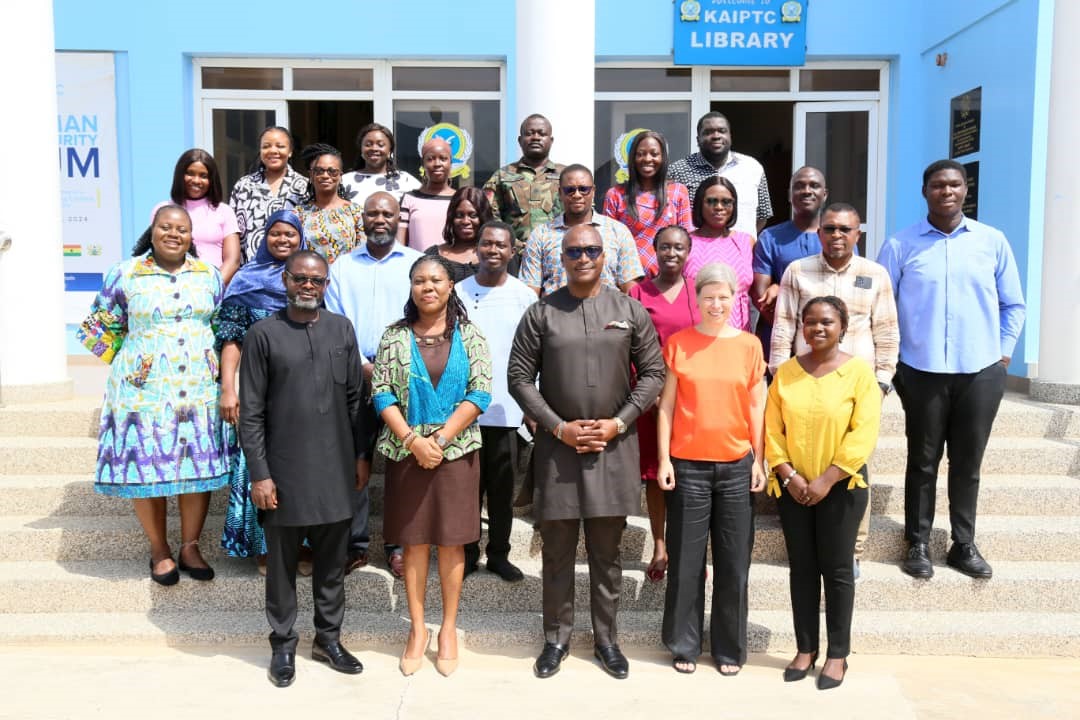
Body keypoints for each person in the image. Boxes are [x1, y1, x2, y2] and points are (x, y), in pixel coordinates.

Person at [508, 225, 666, 680]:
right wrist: (558, 427)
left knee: (607, 552)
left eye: (591, 250)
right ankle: (556, 639)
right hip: (558, 449)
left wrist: (620, 422)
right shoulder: (541, 313)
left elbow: (654, 373)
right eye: (574, 251)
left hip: (612, 447)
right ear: (561, 257)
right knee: (556, 550)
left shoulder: (629, 310)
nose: (583, 257)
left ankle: (606, 640)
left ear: (605, 255)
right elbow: (519, 377)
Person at [878, 159, 1025, 580]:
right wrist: (895, 364)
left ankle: (964, 544)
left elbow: (1014, 304)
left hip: (980, 371)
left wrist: (1001, 356)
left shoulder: (992, 241)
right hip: (920, 370)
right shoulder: (900, 245)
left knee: (967, 462)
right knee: (922, 460)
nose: (947, 191)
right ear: (925, 191)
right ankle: (918, 543)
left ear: (965, 190)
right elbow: (882, 309)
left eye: (954, 185)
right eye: (938, 185)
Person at [77, 204, 229, 585]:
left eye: (182, 229)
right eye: (166, 227)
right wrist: (135, 366)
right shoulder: (125, 273)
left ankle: (190, 547)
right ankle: (159, 549)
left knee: (196, 467)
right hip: (143, 393)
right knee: (146, 465)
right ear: (153, 230)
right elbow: (98, 331)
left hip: (197, 389)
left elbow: (220, 327)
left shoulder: (209, 275)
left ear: (191, 236)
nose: (174, 234)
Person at [240, 249, 368, 688]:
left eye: (316, 280)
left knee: (332, 565)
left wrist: (362, 457)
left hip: (336, 470)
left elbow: (355, 400)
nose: (308, 286)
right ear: (285, 280)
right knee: (281, 568)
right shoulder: (263, 334)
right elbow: (251, 411)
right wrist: (260, 473)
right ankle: (282, 645)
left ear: (326, 284)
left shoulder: (341, 329)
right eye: (300, 278)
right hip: (283, 473)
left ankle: (328, 640)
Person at [371, 254, 492, 677]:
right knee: (415, 542)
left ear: (450, 286)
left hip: (456, 453)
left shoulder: (470, 335)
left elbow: (480, 392)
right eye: (419, 280)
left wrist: (438, 441)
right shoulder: (394, 336)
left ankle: (449, 628)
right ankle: (418, 628)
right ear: (411, 287)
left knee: (452, 543)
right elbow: (382, 393)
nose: (428, 287)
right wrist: (413, 441)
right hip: (407, 453)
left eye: (436, 280)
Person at [769, 203, 899, 577]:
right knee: (801, 457)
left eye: (845, 229)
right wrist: (778, 377)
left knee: (853, 464)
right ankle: (804, 540)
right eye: (830, 229)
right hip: (803, 385)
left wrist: (882, 382)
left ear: (858, 234)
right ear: (819, 233)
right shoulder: (798, 271)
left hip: (857, 387)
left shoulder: (874, 274)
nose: (837, 235)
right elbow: (784, 325)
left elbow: (887, 330)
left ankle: (851, 550)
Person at [655, 262, 766, 676]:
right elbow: (665, 406)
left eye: (724, 297)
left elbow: (756, 406)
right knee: (686, 562)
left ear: (735, 298)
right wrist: (664, 459)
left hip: (736, 466)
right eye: (708, 297)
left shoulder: (750, 346)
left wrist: (759, 459)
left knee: (734, 562)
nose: (716, 304)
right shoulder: (679, 344)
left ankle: (728, 649)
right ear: (697, 298)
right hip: (688, 467)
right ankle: (684, 644)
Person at [766, 296, 881, 691]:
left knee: (837, 570)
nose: (818, 328)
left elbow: (863, 432)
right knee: (802, 568)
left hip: (842, 487)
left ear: (842, 327)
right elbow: (772, 430)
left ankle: (837, 654)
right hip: (793, 488)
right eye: (811, 321)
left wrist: (826, 480)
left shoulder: (859, 373)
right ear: (801, 327)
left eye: (827, 322)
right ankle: (805, 649)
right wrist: (789, 475)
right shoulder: (786, 373)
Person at [324, 191, 423, 578]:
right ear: (361, 219)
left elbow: (425, 314)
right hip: (355, 374)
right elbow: (335, 321)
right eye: (372, 213)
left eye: (387, 213)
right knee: (355, 461)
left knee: (403, 463)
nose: (380, 219)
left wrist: (395, 365)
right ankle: (356, 544)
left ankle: (398, 545)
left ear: (399, 219)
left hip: (406, 375)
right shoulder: (342, 266)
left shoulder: (416, 264)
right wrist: (363, 366)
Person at [215, 209, 307, 573]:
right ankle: (264, 546)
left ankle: (302, 546)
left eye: (290, 234)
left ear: (301, 239)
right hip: (256, 388)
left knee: (302, 463)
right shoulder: (245, 280)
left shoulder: (309, 279)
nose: (283, 240)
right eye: (275, 233)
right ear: (264, 237)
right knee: (257, 461)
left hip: (301, 389)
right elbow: (231, 341)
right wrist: (228, 389)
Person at [456, 221, 536, 582]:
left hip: (507, 409)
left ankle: (499, 554)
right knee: (467, 490)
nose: (493, 250)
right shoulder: (457, 292)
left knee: (502, 491)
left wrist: (532, 404)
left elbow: (535, 352)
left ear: (512, 252)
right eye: (486, 243)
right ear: (477, 249)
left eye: (500, 245)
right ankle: (467, 553)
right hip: (463, 411)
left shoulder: (524, 296)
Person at [627, 225, 701, 584]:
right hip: (651, 397)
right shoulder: (638, 292)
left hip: (693, 398)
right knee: (656, 472)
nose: (672, 253)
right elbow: (630, 345)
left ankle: (688, 548)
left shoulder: (699, 291)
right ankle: (659, 545)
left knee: (689, 473)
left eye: (679, 247)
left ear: (689, 252)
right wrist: (651, 394)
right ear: (654, 250)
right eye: (665, 247)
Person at [520, 164, 644, 297]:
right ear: (560, 193)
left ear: (593, 191)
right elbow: (530, 292)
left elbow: (630, 289)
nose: (577, 195)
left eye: (584, 189)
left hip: (607, 310)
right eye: (570, 190)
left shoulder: (618, 231)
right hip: (555, 309)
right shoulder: (541, 235)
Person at [752, 167, 830, 357]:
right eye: (800, 186)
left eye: (814, 185)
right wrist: (790, 330)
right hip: (781, 340)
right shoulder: (770, 237)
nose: (807, 190)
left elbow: (844, 286)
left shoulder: (836, 237)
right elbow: (761, 295)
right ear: (789, 195)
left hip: (828, 340)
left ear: (825, 194)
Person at [602, 130, 693, 277]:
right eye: (641, 154)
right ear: (632, 158)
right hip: (629, 281)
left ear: (663, 158)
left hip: (669, 280)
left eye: (654, 154)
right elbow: (608, 243)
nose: (647, 159)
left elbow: (687, 239)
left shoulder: (678, 191)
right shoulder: (615, 195)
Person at [669, 112, 772, 239]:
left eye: (722, 131)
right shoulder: (677, 171)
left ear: (730, 136)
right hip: (695, 249)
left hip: (742, 249)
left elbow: (762, 217)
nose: (716, 136)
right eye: (708, 132)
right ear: (698, 139)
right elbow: (670, 217)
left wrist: (740, 241)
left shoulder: (753, 168)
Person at [153, 148, 241, 286]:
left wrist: (210, 289)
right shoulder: (163, 210)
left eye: (203, 176)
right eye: (190, 173)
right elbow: (153, 252)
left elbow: (232, 260)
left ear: (211, 180)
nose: (196, 180)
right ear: (180, 174)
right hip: (170, 289)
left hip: (212, 290)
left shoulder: (224, 211)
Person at [483, 113, 565, 254]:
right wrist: (513, 244)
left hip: (558, 254)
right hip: (513, 255)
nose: (535, 137)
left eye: (541, 133)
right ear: (520, 140)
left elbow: (583, 213)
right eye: (529, 133)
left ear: (551, 140)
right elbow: (489, 216)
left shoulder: (566, 175)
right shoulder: (502, 175)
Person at [230, 126, 309, 264]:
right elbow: (233, 233)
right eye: (266, 146)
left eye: (280, 146)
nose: (273, 151)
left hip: (293, 269)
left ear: (290, 151)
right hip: (252, 269)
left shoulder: (304, 187)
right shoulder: (243, 186)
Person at [685, 176, 754, 331]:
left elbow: (757, 290)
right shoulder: (686, 243)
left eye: (726, 202)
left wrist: (775, 286)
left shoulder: (746, 242)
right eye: (711, 201)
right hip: (697, 334)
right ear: (699, 204)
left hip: (738, 334)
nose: (719, 207)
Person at [295, 144, 365, 264]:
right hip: (310, 275)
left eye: (332, 171)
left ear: (340, 176)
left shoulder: (356, 212)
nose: (325, 176)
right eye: (319, 171)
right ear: (311, 175)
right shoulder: (299, 214)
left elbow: (362, 251)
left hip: (347, 274)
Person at [424, 186, 494, 282]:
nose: (465, 221)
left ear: (483, 217)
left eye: (473, 215)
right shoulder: (432, 255)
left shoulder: (498, 255)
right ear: (451, 218)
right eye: (459, 215)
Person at [341, 123, 420, 207]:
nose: (374, 148)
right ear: (361, 150)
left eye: (380, 145)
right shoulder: (345, 180)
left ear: (390, 151)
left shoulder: (406, 180)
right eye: (368, 145)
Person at [398, 137, 455, 252]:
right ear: (423, 164)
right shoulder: (410, 198)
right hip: (416, 263)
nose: (437, 164)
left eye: (443, 159)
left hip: (451, 263)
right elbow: (400, 244)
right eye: (430, 159)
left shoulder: (459, 199)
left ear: (451, 163)